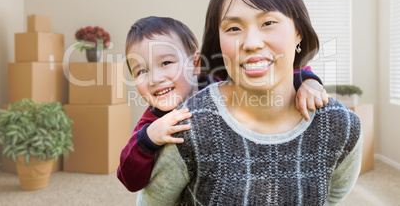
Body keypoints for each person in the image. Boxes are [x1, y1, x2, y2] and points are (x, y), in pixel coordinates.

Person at [137, 0, 362, 205]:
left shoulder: (340, 126)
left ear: (298, 31)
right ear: (219, 41)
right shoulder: (187, 126)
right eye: (233, 28)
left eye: (268, 23)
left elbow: (333, 196)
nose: (251, 42)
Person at [117, 16, 328, 192]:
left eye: (166, 63)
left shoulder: (219, 84)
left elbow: (277, 75)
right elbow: (129, 179)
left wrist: (308, 81)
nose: (155, 78)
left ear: (195, 64)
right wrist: (148, 139)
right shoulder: (151, 121)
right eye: (141, 71)